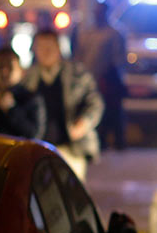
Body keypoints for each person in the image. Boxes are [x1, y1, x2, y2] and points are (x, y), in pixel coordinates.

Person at [23, 27, 103, 179]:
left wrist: (84, 122)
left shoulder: (77, 73)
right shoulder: (28, 78)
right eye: (40, 47)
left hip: (71, 149)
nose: (45, 52)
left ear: (58, 48)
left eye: (50, 47)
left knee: (71, 197)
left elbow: (95, 102)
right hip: (37, 150)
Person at [74, 1, 128, 150]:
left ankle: (119, 142)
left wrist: (111, 76)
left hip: (109, 80)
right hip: (90, 80)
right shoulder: (87, 33)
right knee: (94, 110)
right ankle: (100, 142)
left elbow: (119, 58)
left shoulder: (114, 34)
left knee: (114, 112)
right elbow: (79, 56)